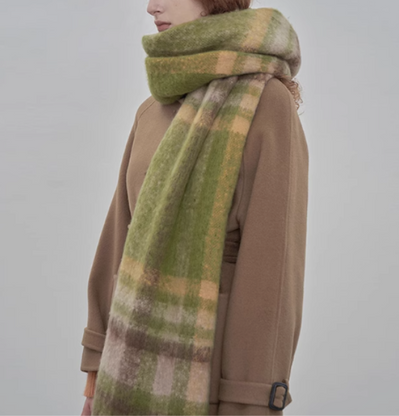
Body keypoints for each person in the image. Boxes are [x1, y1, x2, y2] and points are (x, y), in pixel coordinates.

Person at [80, 0, 309, 415]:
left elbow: (274, 272)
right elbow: (118, 237)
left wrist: (250, 397)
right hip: (122, 372)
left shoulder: (267, 105)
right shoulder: (151, 111)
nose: (151, 7)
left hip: (210, 377)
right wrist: (95, 369)